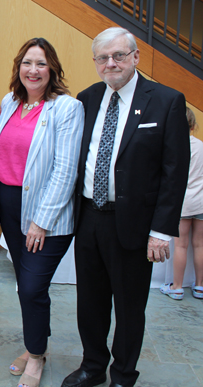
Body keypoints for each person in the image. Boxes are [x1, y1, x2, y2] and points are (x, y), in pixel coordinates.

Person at [62, 27, 190, 387]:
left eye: (119, 55)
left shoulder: (166, 100)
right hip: (88, 217)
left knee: (130, 307)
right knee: (90, 302)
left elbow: (173, 173)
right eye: (103, 57)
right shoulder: (86, 99)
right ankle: (92, 366)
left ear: (135, 56)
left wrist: (161, 231)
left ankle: (122, 374)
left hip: (134, 224)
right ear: (95, 63)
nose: (111, 63)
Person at [0, 37, 84, 387]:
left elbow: (64, 168)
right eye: (27, 63)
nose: (33, 70)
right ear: (18, 68)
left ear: (52, 69)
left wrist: (41, 221)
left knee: (31, 287)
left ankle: (36, 355)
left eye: (41, 63)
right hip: (10, 208)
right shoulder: (9, 102)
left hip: (47, 215)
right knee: (26, 285)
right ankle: (33, 346)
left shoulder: (66, 108)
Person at [160, 108, 203, 300]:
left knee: (181, 246)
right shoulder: (201, 146)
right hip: (201, 200)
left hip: (183, 202)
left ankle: (177, 287)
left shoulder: (172, 146)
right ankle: (200, 286)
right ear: (193, 125)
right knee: (200, 245)